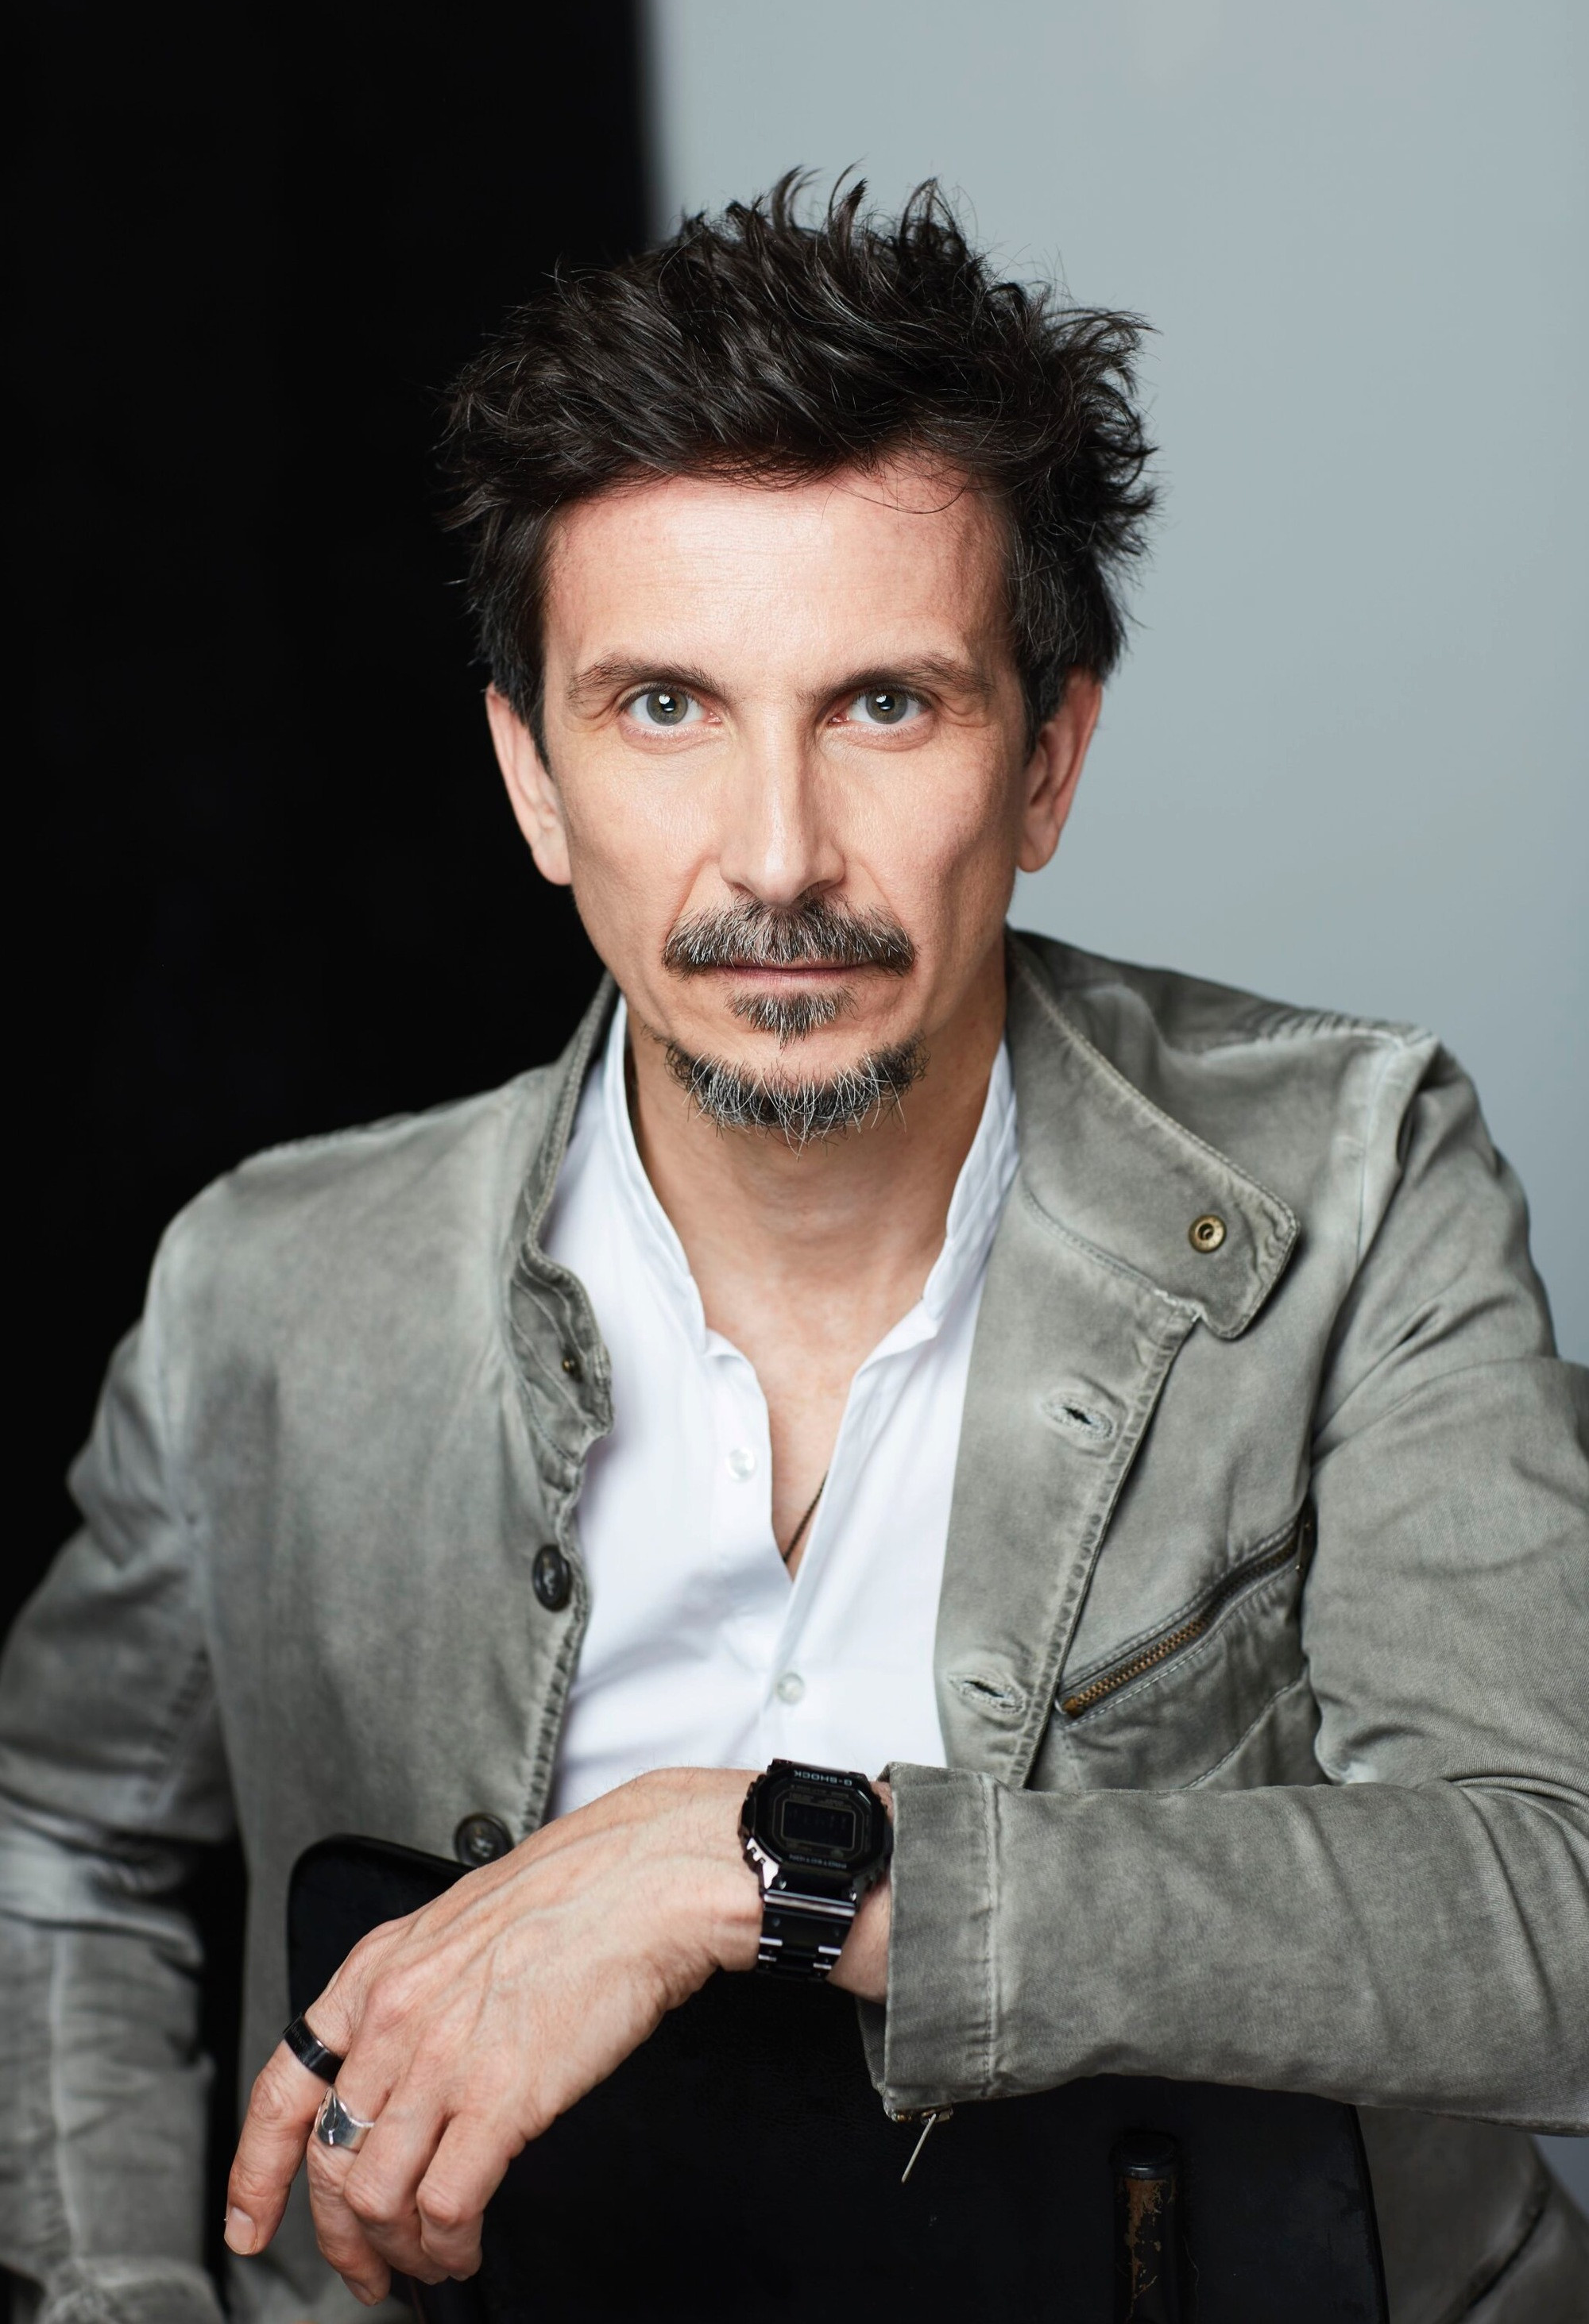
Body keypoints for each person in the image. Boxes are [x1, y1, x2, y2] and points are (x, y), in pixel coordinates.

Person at [2, 177, 1584, 2324]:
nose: (777, 858)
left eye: (884, 706)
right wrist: (118, 2301)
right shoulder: (267, 1296)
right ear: (532, 778)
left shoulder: (1359, 1179)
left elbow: (1554, 1907)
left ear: (1049, 760)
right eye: (664, 706)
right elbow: (60, 1839)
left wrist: (752, 1859)